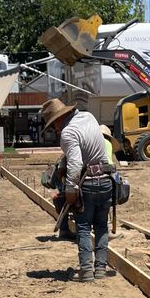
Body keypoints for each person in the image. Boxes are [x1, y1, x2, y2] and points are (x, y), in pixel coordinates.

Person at [40, 98, 116, 283]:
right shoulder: (89, 117)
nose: (55, 130)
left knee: (83, 227)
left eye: (53, 125)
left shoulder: (68, 133)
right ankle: (100, 269)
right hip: (106, 180)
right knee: (101, 226)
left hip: (87, 184)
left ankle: (87, 271)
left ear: (59, 118)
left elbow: (75, 164)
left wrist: (71, 190)